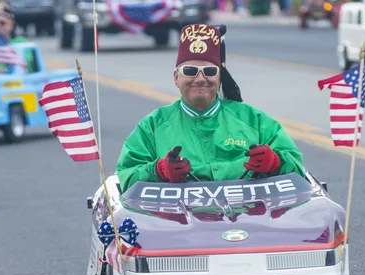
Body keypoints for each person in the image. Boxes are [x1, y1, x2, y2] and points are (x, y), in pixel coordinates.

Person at [115, 24, 305, 193]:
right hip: (175, 228)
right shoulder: (152, 126)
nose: (200, 79)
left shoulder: (254, 120)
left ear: (220, 77)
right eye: (189, 71)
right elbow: (126, 178)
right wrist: (158, 171)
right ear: (176, 78)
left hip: (249, 223)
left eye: (209, 71)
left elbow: (298, 168)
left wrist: (275, 163)